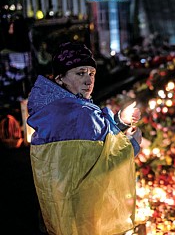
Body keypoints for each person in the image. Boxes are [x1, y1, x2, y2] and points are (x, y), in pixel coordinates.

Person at [27, 42, 142, 235]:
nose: (89, 80)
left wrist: (119, 122)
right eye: (80, 73)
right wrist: (133, 145)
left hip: (61, 214)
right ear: (60, 78)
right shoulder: (79, 113)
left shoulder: (53, 109)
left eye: (91, 73)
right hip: (86, 216)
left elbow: (92, 144)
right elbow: (102, 168)